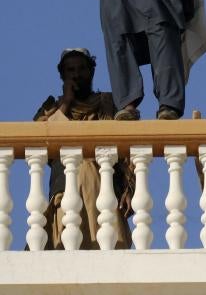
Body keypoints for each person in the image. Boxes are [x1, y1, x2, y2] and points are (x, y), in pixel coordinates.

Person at [33, 48, 134, 249]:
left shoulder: (108, 104)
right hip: (66, 191)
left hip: (103, 190)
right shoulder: (50, 108)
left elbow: (127, 152)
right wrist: (66, 103)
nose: (76, 75)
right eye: (70, 70)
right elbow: (44, 141)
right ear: (62, 74)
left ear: (92, 72)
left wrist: (130, 188)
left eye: (82, 69)